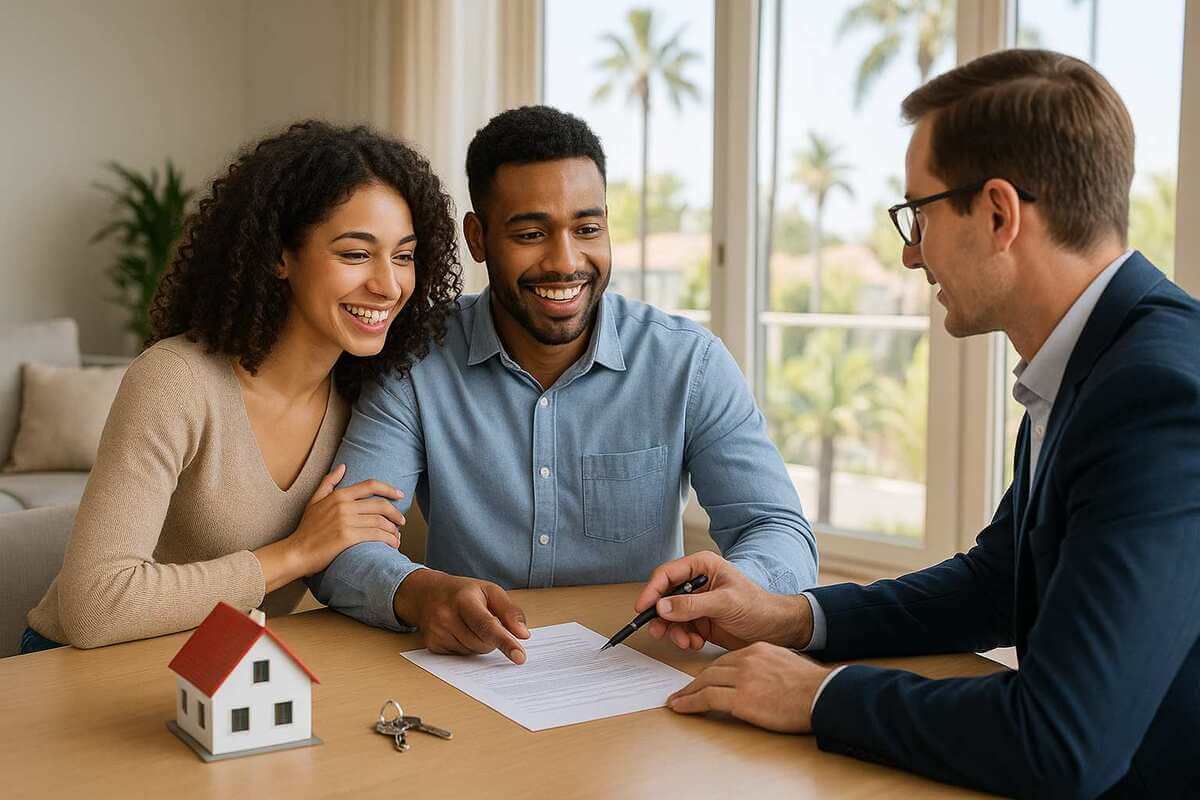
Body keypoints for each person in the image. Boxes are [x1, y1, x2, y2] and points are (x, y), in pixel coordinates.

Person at [633, 49, 1200, 798]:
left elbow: (1064, 739)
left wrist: (818, 696)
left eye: (919, 214)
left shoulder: (1157, 395)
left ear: (998, 214)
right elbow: (997, 585)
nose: (908, 253)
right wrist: (787, 619)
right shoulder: (1101, 357)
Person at [308, 105, 817, 665]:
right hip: (474, 680)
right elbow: (340, 547)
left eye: (587, 228)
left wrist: (740, 585)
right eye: (530, 233)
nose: (566, 261)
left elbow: (777, 527)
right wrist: (417, 593)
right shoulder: (415, 362)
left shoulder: (688, 364)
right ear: (478, 239)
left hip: (640, 674)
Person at [21, 121, 462, 652]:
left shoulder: (367, 398)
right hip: (73, 670)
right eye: (354, 253)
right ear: (280, 255)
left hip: (222, 668)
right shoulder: (175, 381)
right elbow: (95, 605)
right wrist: (297, 553)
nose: (389, 285)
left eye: (404, 256)